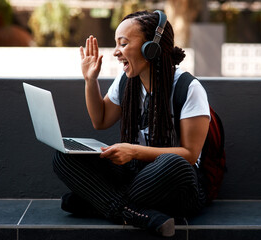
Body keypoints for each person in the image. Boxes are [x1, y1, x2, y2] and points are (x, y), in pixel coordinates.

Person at [52, 10, 210, 237]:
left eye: (123, 44)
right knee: (63, 156)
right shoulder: (127, 81)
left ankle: (99, 202)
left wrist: (133, 151)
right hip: (137, 176)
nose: (116, 52)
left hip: (175, 184)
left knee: (174, 164)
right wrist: (90, 80)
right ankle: (134, 213)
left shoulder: (188, 88)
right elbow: (101, 120)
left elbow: (190, 155)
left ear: (151, 48)